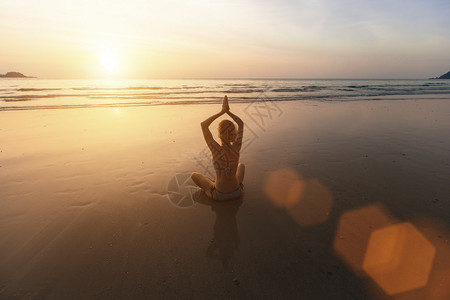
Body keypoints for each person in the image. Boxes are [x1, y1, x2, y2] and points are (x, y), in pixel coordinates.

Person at [191, 96, 245, 201]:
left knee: (194, 175)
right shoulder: (236, 148)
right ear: (234, 135)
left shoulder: (215, 149)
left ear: (219, 134)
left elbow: (204, 125)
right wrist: (228, 112)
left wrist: (222, 111)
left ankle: (213, 185)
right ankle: (237, 185)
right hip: (237, 193)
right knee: (241, 165)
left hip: (220, 195)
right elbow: (241, 124)